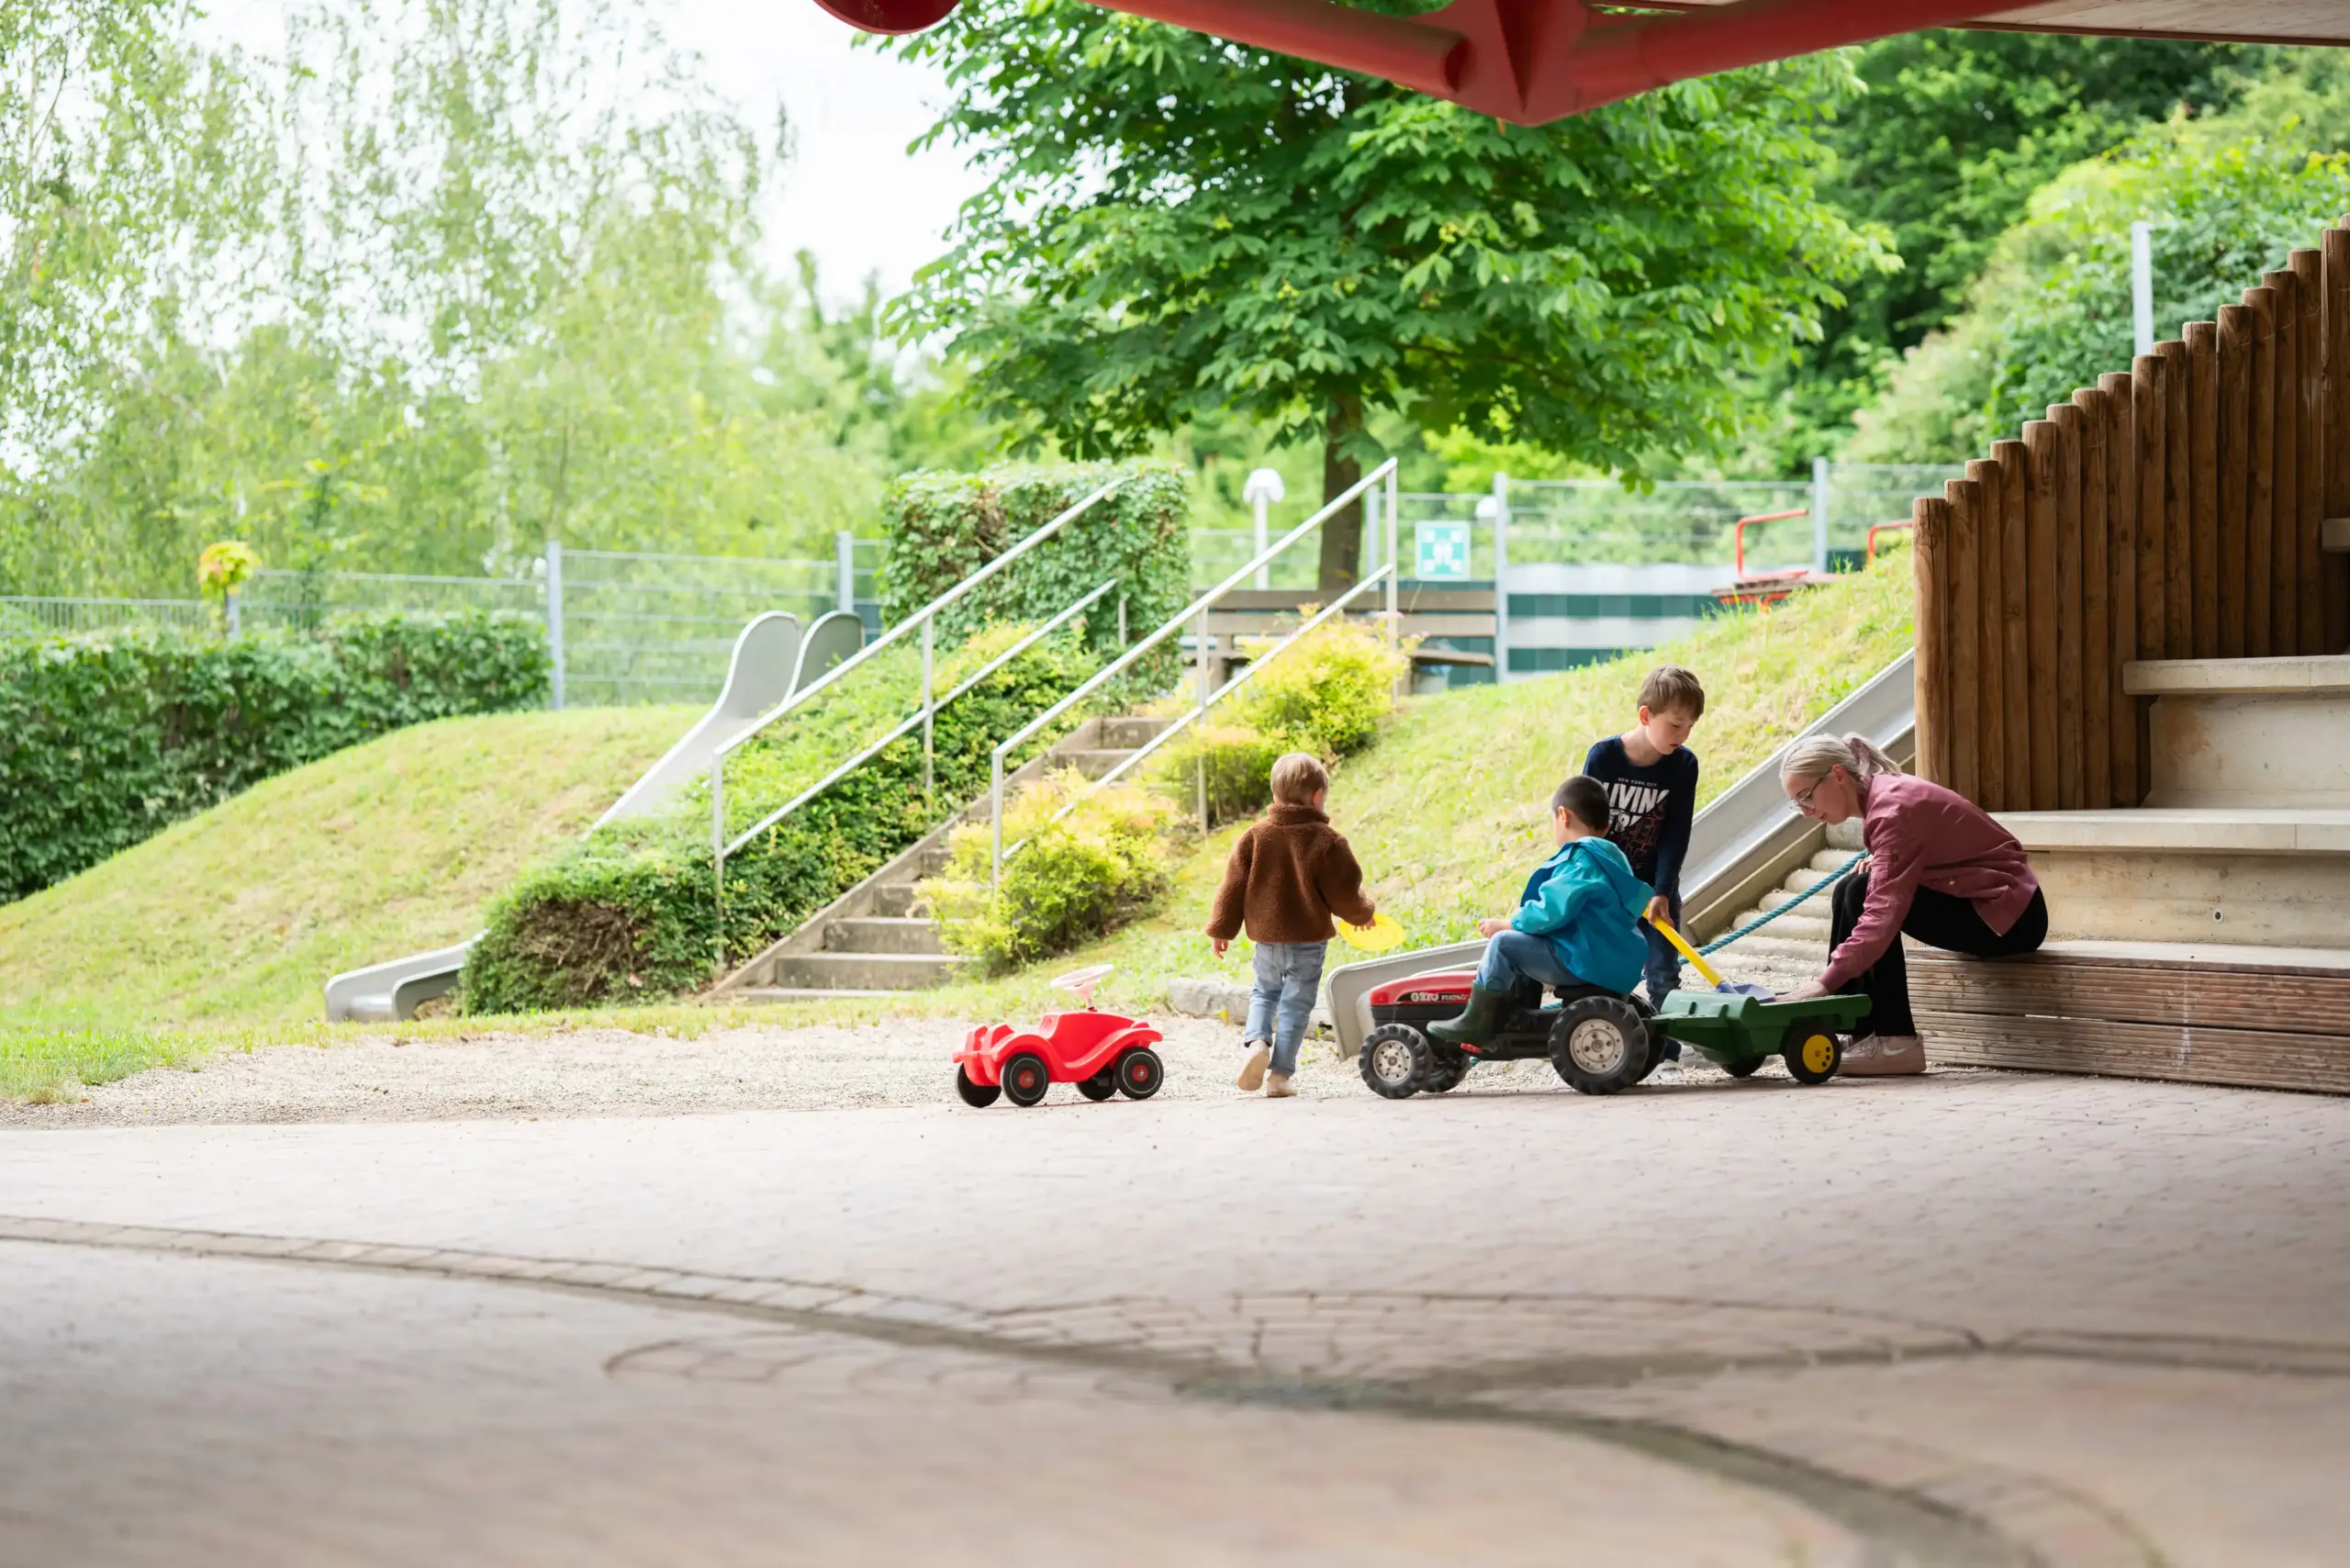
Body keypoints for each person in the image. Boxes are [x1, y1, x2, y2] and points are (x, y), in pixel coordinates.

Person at [1774, 734, 2047, 1076]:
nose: (1805, 811)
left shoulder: (1891, 810)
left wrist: (1824, 983)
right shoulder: (1881, 797)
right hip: (1980, 903)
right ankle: (1863, 1033)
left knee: (1861, 895)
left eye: (1806, 796)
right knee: (1850, 888)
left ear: (1838, 775)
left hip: (2009, 916)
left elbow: (1882, 915)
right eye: (1796, 803)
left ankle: (1896, 1040)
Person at [1428, 775, 1651, 1047]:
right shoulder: (1613, 858)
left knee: (1504, 944)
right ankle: (1516, 1016)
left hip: (1586, 961)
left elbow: (1551, 910)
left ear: (1563, 816)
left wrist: (1508, 924)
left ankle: (1479, 1022)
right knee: (1528, 942)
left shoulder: (1580, 859)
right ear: (1606, 827)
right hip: (1614, 963)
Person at [1205, 751, 1376, 1099]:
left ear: (1275, 794)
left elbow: (1232, 886)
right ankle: (1280, 1076)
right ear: (1317, 796)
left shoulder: (1255, 837)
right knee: (1296, 1007)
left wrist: (1222, 928)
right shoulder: (1328, 841)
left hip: (1267, 941)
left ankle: (1257, 1043)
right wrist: (1363, 914)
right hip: (1308, 944)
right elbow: (1344, 891)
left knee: (1263, 993)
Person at [1583, 664, 1705, 1040]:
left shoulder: (1684, 764)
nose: (1682, 735)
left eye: (1690, 727)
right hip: (1606, 889)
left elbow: (1676, 833)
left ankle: (1667, 1054)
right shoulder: (1603, 758)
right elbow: (1584, 829)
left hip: (1655, 888)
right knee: (1603, 976)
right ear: (1645, 715)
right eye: (1675, 724)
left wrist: (1663, 891)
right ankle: (1612, 1051)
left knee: (1664, 974)